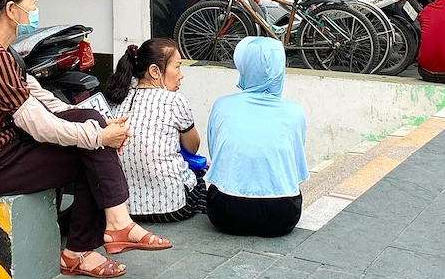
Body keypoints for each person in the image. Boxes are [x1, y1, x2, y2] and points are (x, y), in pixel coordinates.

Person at [0, 0, 168, 279]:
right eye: (33, 3)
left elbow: (41, 99)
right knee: (86, 154)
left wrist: (96, 125)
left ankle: (115, 225)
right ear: (12, 10)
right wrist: (98, 138)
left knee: (89, 121)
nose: (36, 10)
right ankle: (88, 245)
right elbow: (38, 124)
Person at [205, 37, 307, 237]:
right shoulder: (295, 112)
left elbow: (216, 152)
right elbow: (293, 164)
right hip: (282, 216)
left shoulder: (222, 106)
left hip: (225, 212)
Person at [104, 39, 206, 223]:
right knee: (199, 177)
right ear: (154, 71)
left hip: (123, 209)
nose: (181, 75)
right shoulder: (175, 101)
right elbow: (192, 148)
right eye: (177, 67)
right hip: (172, 208)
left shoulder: (116, 98)